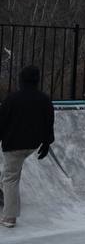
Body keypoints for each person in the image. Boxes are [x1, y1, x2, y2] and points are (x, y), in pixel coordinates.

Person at [0, 65, 56, 228]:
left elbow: (2, 121)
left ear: (21, 80)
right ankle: (5, 191)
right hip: (32, 144)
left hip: (14, 145)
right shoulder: (44, 99)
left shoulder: (12, 99)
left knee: (11, 177)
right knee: (10, 173)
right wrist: (46, 143)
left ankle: (9, 217)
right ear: (37, 81)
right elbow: (49, 123)